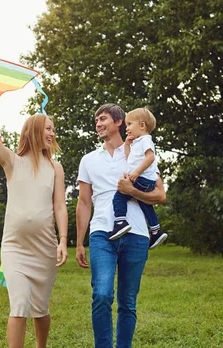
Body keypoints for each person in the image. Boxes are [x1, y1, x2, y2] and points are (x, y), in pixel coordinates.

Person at [0, 71, 68, 348]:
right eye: (48, 128)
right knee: (19, 304)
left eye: (53, 129)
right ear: (33, 131)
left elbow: (59, 206)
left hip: (44, 248)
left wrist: (64, 241)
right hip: (15, 248)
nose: (53, 133)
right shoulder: (11, 162)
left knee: (40, 309)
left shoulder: (55, 168)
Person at [75, 103, 166, 348]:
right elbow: (84, 203)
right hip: (102, 234)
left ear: (118, 122)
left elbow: (160, 195)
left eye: (102, 118)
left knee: (128, 302)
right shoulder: (89, 160)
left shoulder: (137, 154)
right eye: (96, 120)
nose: (98, 124)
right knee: (102, 295)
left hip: (136, 235)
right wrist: (79, 242)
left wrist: (132, 190)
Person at [109, 107, 168, 249]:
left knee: (119, 197)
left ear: (142, 125)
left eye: (129, 124)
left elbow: (150, 158)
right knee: (144, 203)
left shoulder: (145, 140)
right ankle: (156, 230)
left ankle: (120, 222)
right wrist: (128, 145)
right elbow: (130, 159)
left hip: (142, 179)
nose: (127, 128)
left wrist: (135, 173)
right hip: (146, 181)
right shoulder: (137, 143)